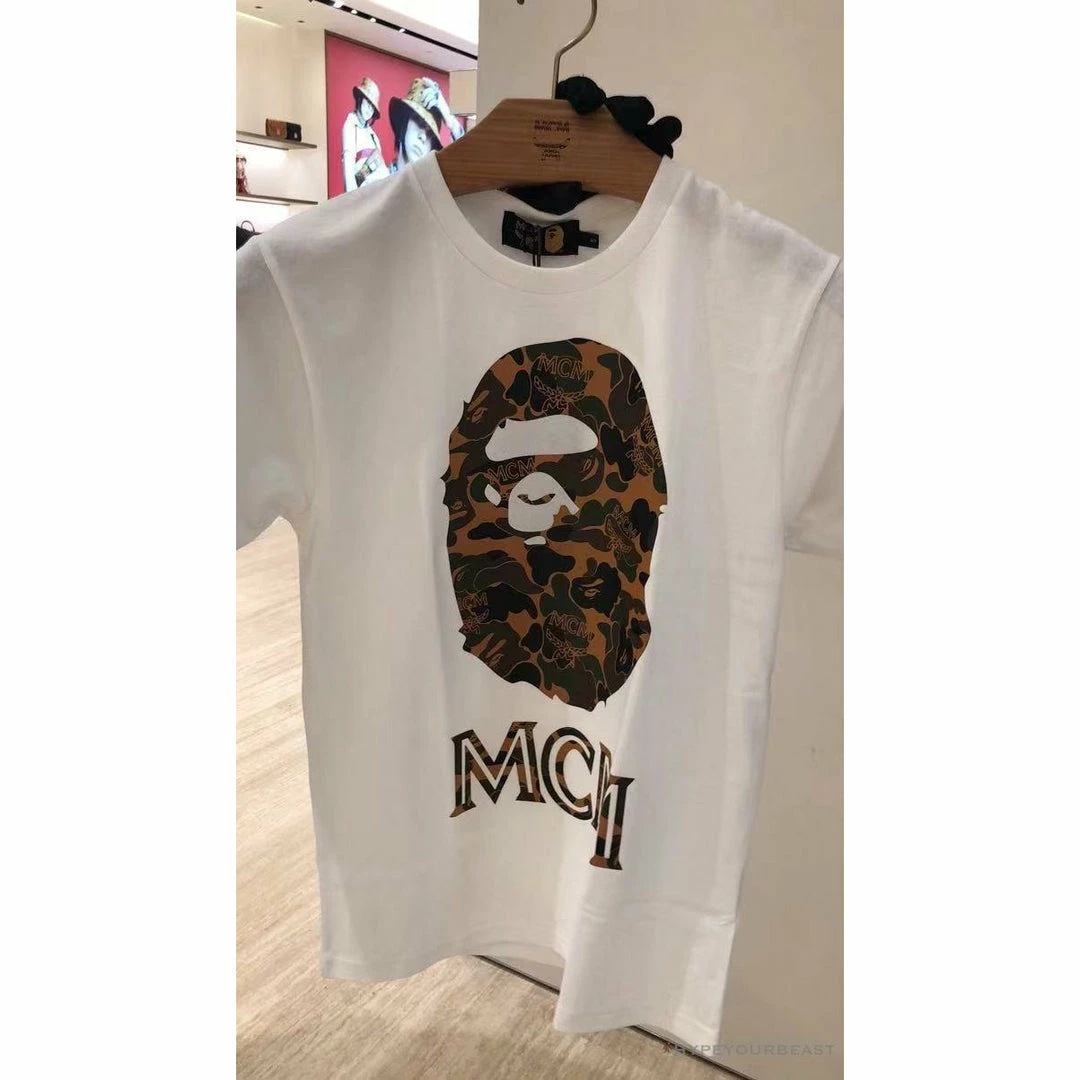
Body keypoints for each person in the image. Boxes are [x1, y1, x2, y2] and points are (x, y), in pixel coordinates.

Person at [386, 76, 464, 175]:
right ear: (404, 122)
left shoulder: (435, 184)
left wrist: (451, 121)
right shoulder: (376, 180)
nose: (423, 137)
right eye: (418, 122)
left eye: (430, 133)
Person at [342, 77, 390, 192]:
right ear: (360, 99)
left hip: (382, 191)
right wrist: (352, 198)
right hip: (364, 192)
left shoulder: (373, 136)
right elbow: (348, 164)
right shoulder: (351, 125)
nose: (370, 109)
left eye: (373, 106)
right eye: (368, 102)